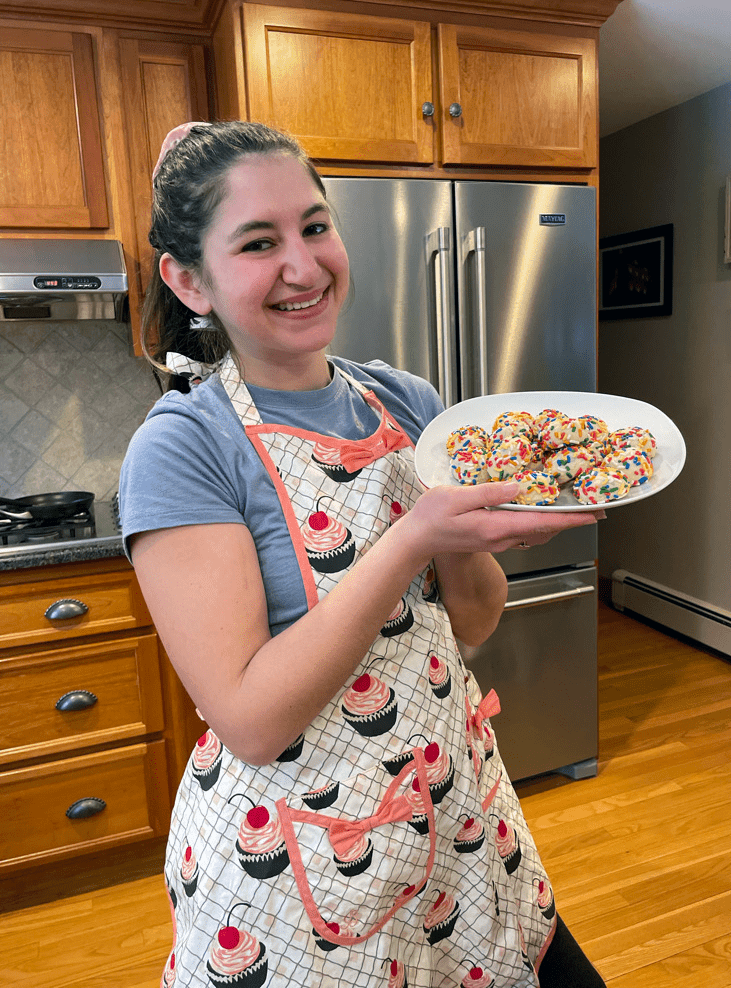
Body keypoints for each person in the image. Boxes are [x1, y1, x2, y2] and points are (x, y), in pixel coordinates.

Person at [119, 120, 607, 988]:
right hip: (300, 874)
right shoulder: (184, 447)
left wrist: (472, 540)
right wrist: (415, 534)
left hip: (456, 818)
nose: (303, 266)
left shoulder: (405, 399)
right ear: (189, 280)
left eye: (313, 226)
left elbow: (475, 620)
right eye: (258, 243)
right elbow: (250, 718)